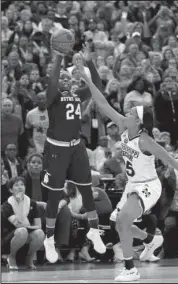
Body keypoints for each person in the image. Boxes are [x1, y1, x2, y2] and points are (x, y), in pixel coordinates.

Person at [76, 59, 178, 282]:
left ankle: (130, 268)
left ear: (139, 122)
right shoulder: (124, 126)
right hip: (133, 185)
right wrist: (87, 79)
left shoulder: (146, 141)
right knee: (119, 223)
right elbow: (102, 103)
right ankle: (151, 239)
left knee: (123, 221)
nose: (127, 113)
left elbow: (171, 160)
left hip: (148, 185)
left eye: (132, 112)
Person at [41, 44, 106, 264]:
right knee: (54, 195)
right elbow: (51, 82)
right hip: (56, 148)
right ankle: (49, 239)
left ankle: (94, 231)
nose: (66, 80)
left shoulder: (77, 94)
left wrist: (89, 63)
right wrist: (59, 57)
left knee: (87, 191)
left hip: (76, 146)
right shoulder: (52, 96)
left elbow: (97, 86)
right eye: (62, 78)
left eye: (68, 78)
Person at [1, 176, 45, 270]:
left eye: (22, 185)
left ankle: (29, 257)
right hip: (10, 237)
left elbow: (39, 225)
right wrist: (19, 203)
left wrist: (30, 227)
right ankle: (11, 257)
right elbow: (18, 224)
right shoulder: (6, 205)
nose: (20, 187)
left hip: (26, 233)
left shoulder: (32, 203)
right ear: (10, 190)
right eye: (16, 185)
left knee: (40, 233)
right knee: (22, 231)